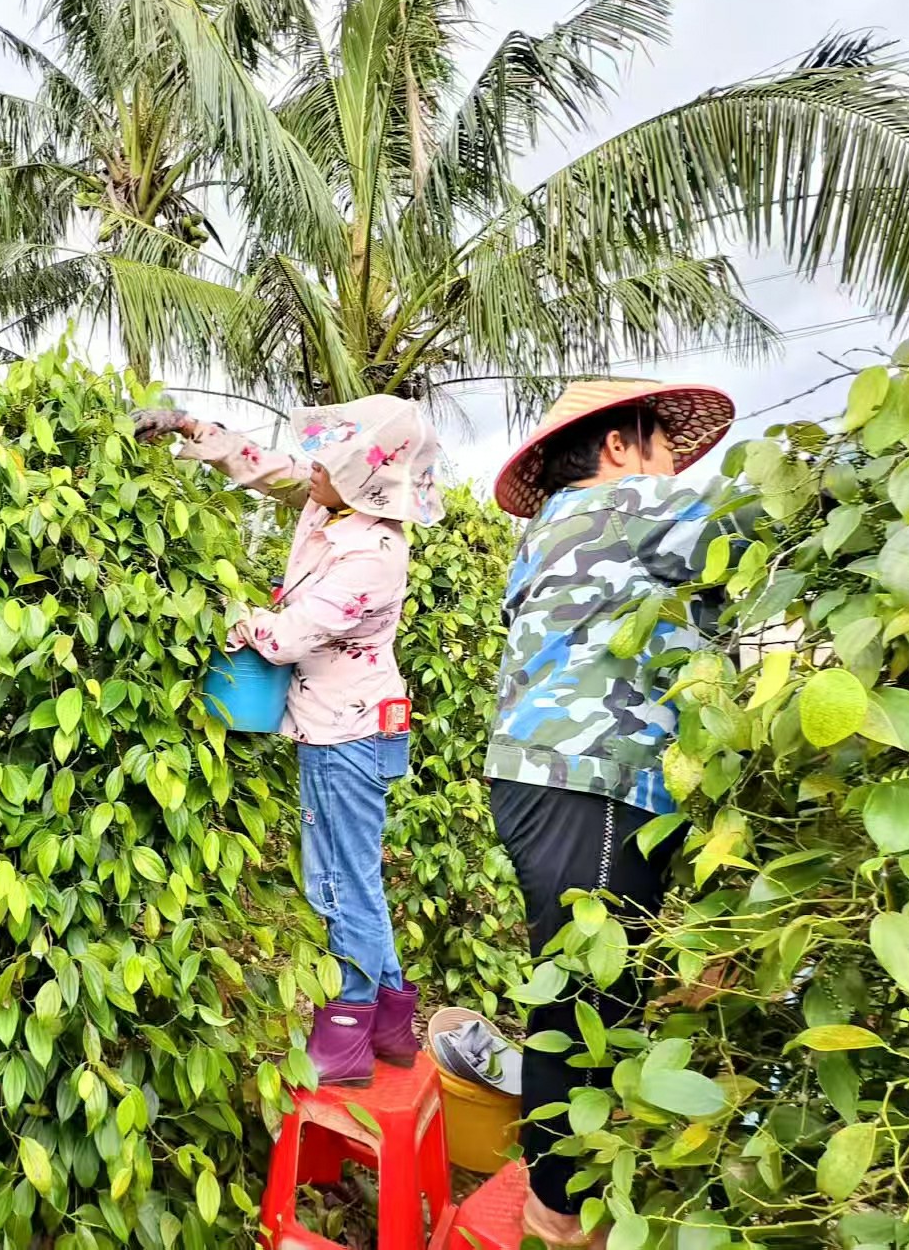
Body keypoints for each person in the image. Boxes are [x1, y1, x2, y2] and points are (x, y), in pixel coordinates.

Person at [485, 380, 743, 1247]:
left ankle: (560, 1192)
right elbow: (758, 532)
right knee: (590, 995)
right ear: (619, 445)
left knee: (577, 983)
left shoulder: (546, 533)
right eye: (662, 440)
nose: (674, 459)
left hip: (533, 773)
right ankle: (562, 1214)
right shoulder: (635, 502)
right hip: (594, 776)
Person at [136, 395, 443, 1086]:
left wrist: (219, 611)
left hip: (349, 734)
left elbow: (287, 636)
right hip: (338, 723)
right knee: (354, 878)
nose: (313, 467)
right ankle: (392, 1023)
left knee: (340, 883)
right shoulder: (330, 506)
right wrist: (193, 429)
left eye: (330, 461)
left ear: (366, 481)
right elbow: (270, 470)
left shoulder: (377, 554)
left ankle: (348, 1024)